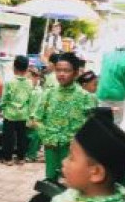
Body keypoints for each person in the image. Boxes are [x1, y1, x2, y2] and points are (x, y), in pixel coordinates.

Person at [33, 52, 97, 181]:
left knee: (71, 182)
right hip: (51, 146)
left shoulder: (86, 97)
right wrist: (46, 137)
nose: (61, 74)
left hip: (74, 150)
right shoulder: (48, 94)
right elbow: (36, 119)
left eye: (66, 70)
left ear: (76, 72)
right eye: (58, 70)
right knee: (50, 180)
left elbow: (93, 126)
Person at [97, 41, 125, 126]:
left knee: (103, 122)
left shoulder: (107, 55)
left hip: (102, 93)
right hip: (117, 96)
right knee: (115, 124)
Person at [0, 55, 32, 166]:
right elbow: (30, 99)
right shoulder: (29, 83)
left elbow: (4, 98)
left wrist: (2, 108)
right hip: (23, 114)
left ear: (14, 67)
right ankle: (21, 158)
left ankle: (8, 159)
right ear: (27, 68)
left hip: (10, 113)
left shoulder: (9, 82)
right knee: (22, 137)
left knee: (8, 137)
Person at [26, 67, 44, 163]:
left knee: (34, 137)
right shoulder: (28, 89)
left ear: (36, 78)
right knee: (27, 137)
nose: (28, 80)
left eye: (30, 77)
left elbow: (37, 106)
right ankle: (27, 154)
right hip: (25, 116)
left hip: (34, 117)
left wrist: (33, 117)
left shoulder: (39, 91)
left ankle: (31, 155)